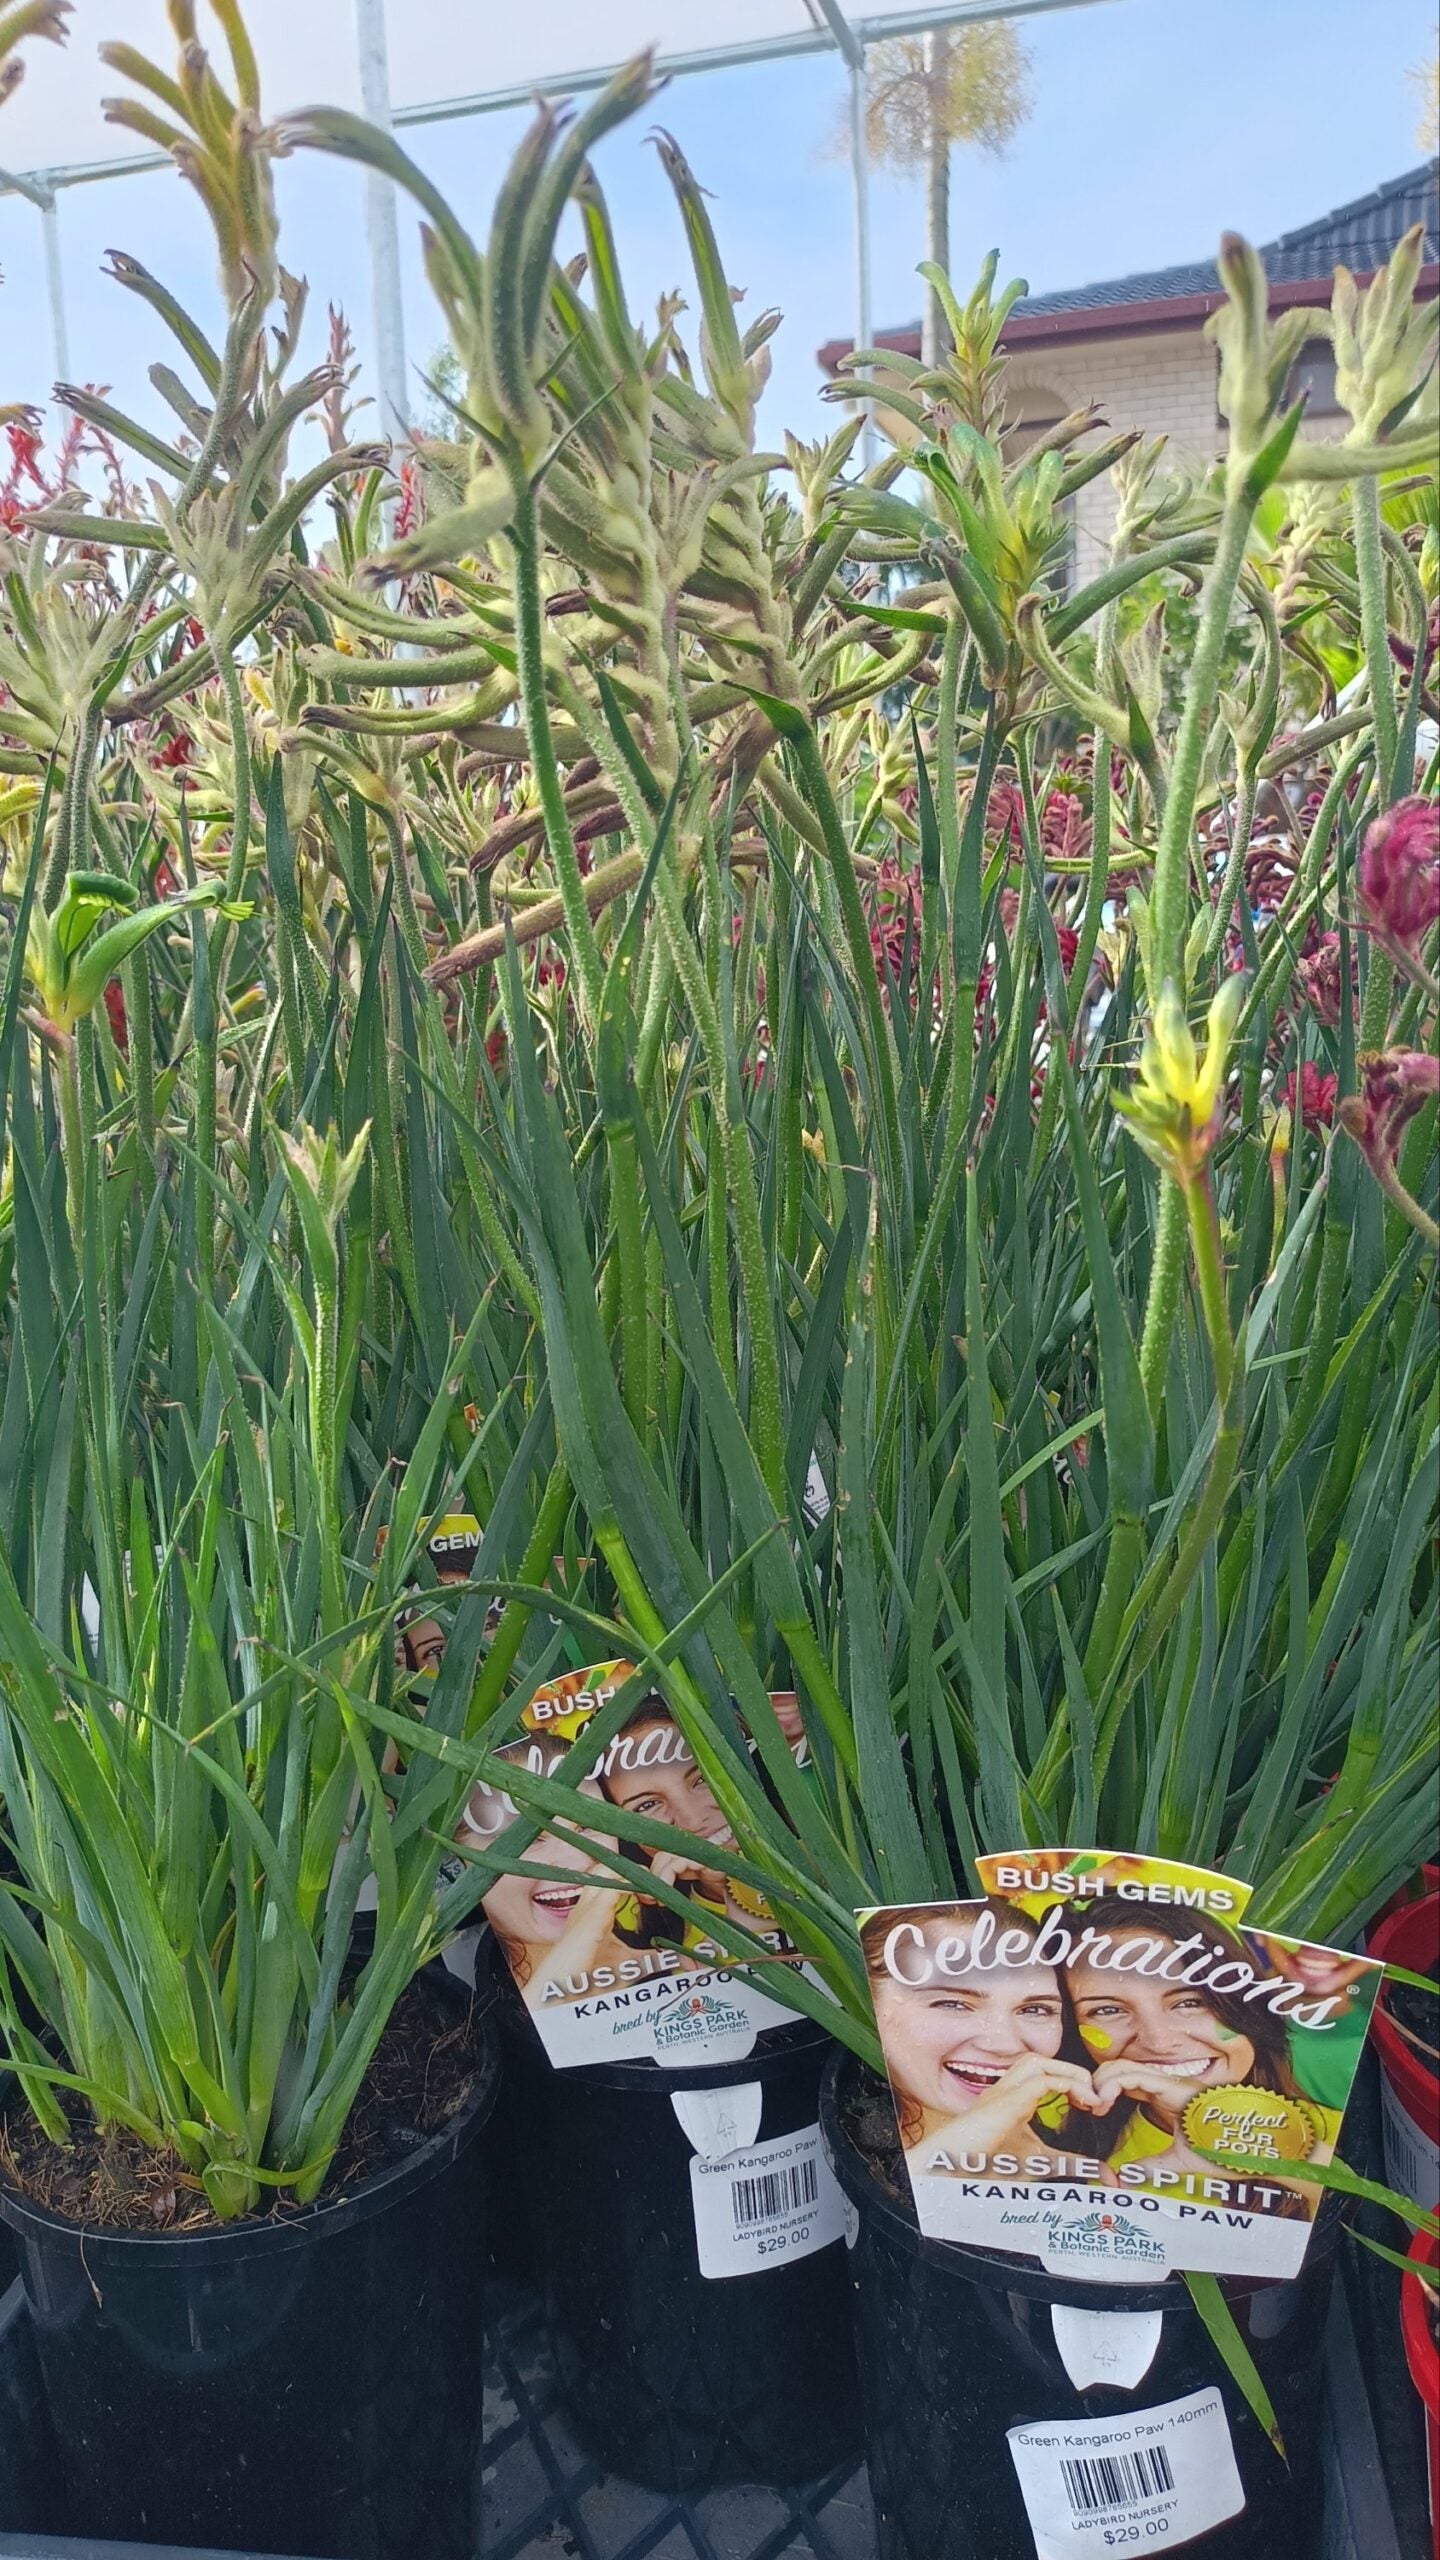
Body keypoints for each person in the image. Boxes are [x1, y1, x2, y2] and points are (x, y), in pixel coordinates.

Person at [1060, 1899, 1335, 2208]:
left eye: (1191, 2002)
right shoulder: (1068, 2160)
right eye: (1107, 2010)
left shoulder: (1337, 2135)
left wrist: (1249, 2139)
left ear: (1247, 2004)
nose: (1159, 2041)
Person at [861, 1904, 1103, 2172]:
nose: (1004, 2045)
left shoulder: (1082, 2181)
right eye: (953, 2004)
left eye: (1035, 2009)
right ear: (869, 2002)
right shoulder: (838, 2131)